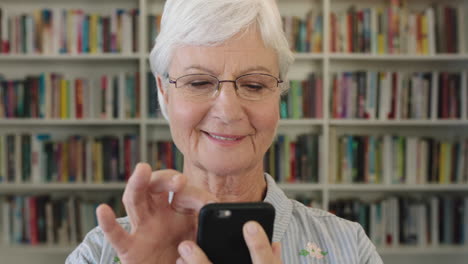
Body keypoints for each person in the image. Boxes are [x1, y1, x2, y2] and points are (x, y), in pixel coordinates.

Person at [67, 0, 384, 263]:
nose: (228, 111)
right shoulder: (100, 253)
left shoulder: (348, 247)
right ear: (164, 93)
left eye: (255, 85)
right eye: (199, 82)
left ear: (279, 95)